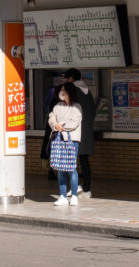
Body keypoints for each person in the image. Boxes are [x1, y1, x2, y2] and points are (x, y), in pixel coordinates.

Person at [48, 82, 82, 206]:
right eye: (61, 90)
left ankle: (74, 195)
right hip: (59, 139)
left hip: (72, 140)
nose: (62, 92)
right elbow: (51, 117)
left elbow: (74, 122)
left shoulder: (76, 107)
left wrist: (60, 125)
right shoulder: (57, 106)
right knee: (60, 168)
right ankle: (62, 196)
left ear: (69, 92)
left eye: (64, 90)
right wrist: (55, 125)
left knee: (71, 168)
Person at [65, 68, 95, 198]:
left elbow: (68, 110)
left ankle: (75, 187)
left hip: (75, 130)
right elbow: (93, 112)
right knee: (84, 161)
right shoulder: (88, 92)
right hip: (87, 130)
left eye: (67, 78)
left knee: (71, 161)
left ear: (71, 78)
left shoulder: (73, 90)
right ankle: (87, 189)